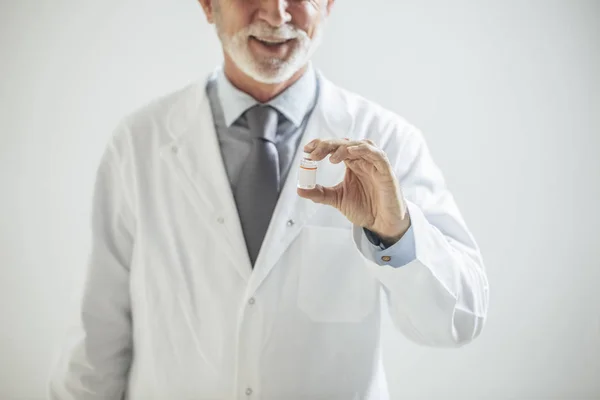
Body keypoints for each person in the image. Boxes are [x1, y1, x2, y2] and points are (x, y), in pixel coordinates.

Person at [49, 0, 489, 399]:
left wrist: (395, 233)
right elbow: (98, 335)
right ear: (208, 5)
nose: (277, 14)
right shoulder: (139, 143)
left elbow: (457, 321)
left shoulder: (390, 142)